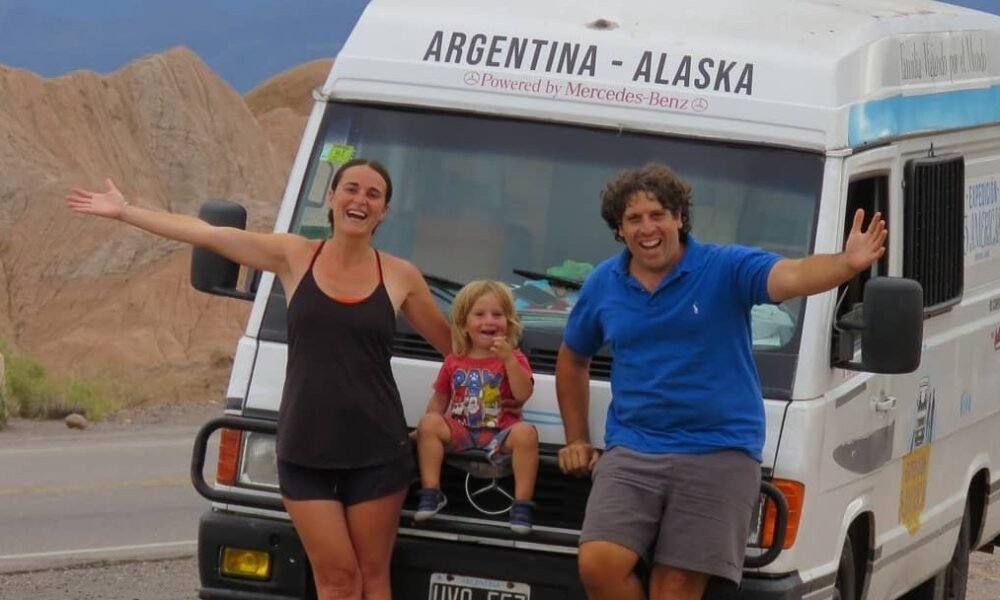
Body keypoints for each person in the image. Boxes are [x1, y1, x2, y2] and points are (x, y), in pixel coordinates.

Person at [65, 158, 451, 600]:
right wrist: (125, 211)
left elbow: (456, 353)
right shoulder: (294, 255)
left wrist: (450, 405)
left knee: (373, 578)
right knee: (338, 581)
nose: (360, 200)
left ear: (384, 211)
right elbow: (208, 234)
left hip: (377, 452)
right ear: (331, 198)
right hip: (305, 451)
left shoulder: (400, 275)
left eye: (373, 194)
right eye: (351, 188)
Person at [555, 163, 887, 600]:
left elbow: (792, 275)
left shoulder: (725, 267)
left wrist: (845, 264)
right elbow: (572, 358)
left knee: (674, 588)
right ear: (619, 228)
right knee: (599, 564)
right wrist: (577, 438)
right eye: (633, 219)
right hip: (634, 447)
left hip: (719, 452)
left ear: (679, 217)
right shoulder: (604, 282)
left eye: (657, 215)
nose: (647, 228)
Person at [413, 280, 539, 534]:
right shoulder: (454, 361)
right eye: (479, 314)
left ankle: (522, 504)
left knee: (527, 433)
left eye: (497, 315)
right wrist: (425, 430)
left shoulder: (515, 358)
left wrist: (508, 359)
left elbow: (523, 393)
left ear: (509, 322)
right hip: (461, 431)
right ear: (463, 324)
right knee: (428, 422)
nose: (489, 321)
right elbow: (440, 400)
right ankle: (431, 492)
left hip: (501, 433)